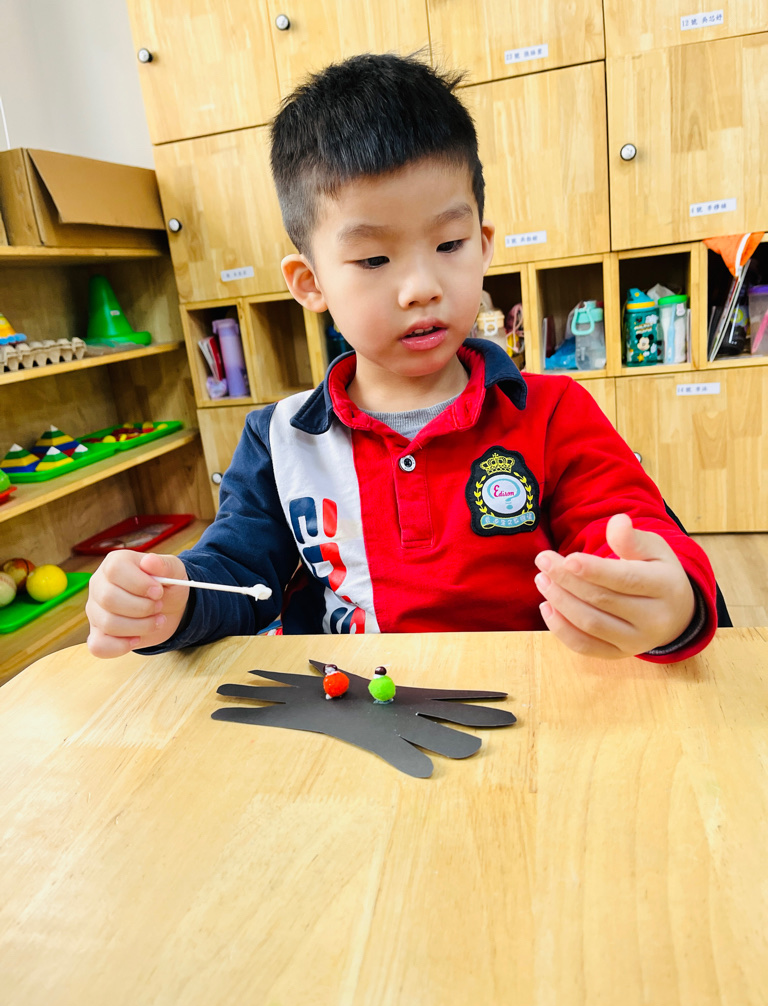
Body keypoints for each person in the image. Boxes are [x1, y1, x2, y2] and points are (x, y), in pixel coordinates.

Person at [86, 53, 717, 664]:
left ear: (483, 245)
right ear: (310, 282)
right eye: (374, 259)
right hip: (358, 706)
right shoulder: (279, 441)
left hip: (531, 703)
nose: (421, 287)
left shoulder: (552, 411)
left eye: (449, 244)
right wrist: (170, 600)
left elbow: (628, 527)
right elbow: (238, 575)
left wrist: (667, 602)